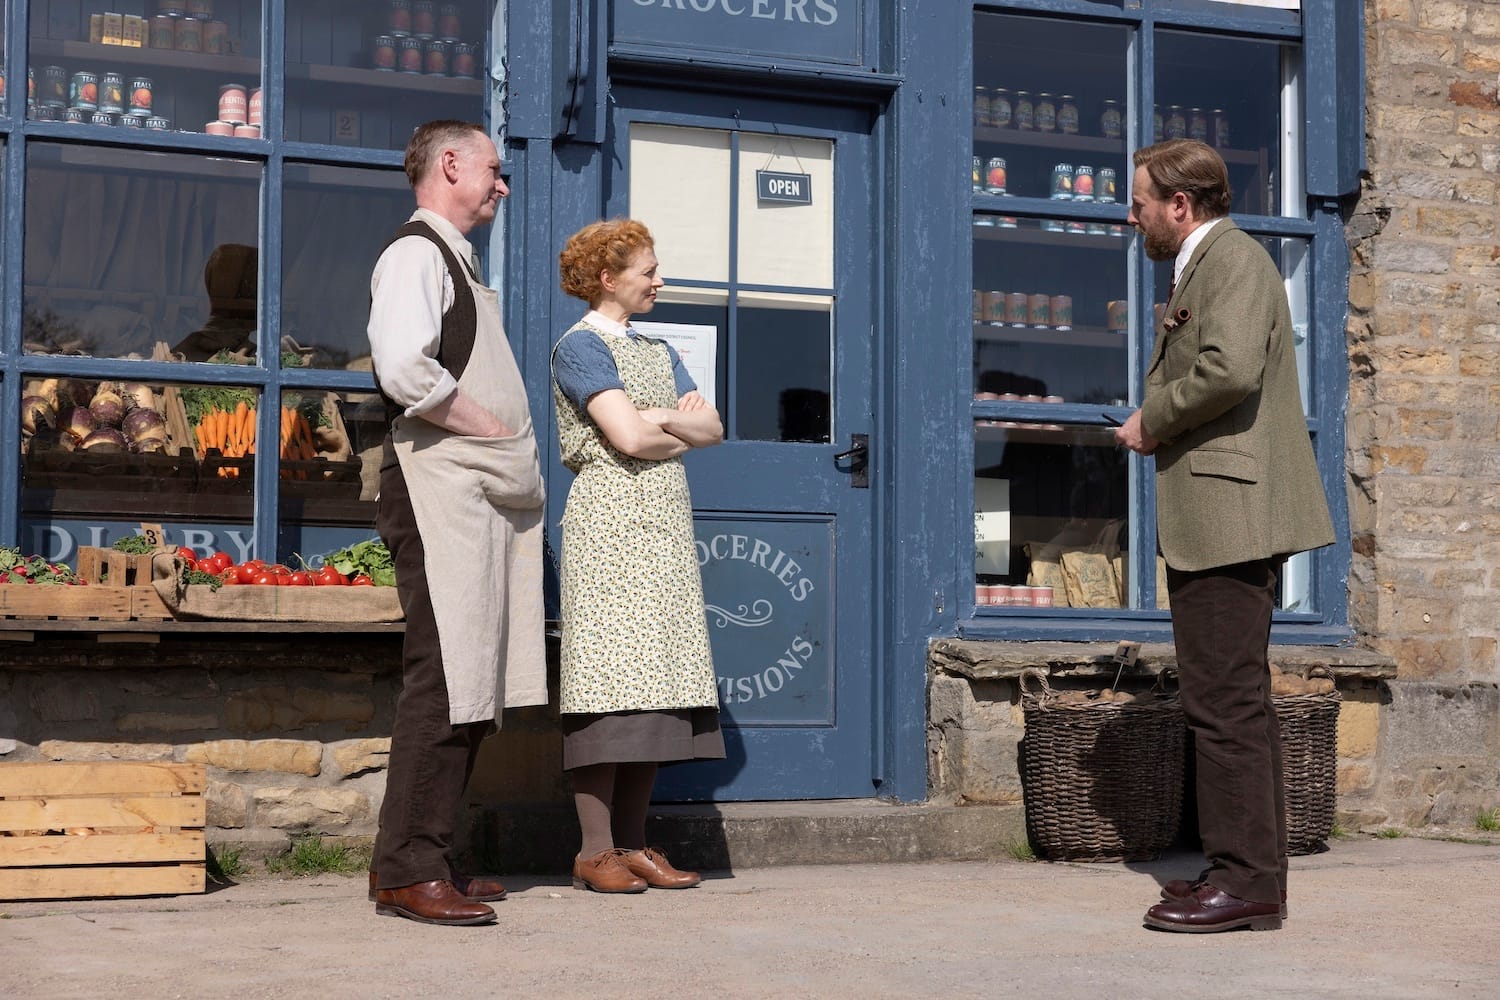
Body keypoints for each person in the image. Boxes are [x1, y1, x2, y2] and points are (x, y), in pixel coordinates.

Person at [1114, 139, 1334, 934]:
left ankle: (1247, 885)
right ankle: (1245, 872)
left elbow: (1229, 369)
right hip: (1223, 511)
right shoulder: (1209, 262)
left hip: (1229, 516)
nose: (1132, 216)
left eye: (1140, 202)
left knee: (1224, 704)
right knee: (1234, 700)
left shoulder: (1232, 259)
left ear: (1180, 205)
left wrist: (1153, 419)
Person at [365, 120, 547, 925]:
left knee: (470, 674)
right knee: (443, 675)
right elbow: (405, 367)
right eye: (494, 170)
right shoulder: (416, 255)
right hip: (436, 490)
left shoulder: (455, 260)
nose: (502, 185)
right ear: (449, 165)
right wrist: (492, 428)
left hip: (465, 493)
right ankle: (410, 870)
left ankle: (425, 857)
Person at [551, 219, 725, 893]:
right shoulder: (580, 348)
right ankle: (594, 851)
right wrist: (665, 425)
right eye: (648, 271)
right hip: (610, 527)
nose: (659, 281)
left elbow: (713, 428)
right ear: (608, 278)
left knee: (656, 680)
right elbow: (626, 436)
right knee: (607, 682)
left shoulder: (656, 347)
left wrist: (664, 421)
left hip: (664, 527)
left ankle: (632, 845)